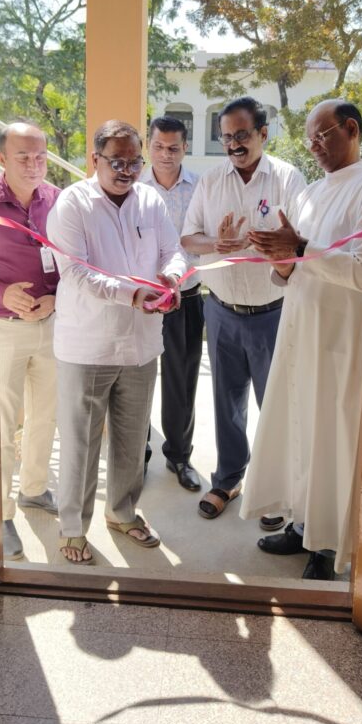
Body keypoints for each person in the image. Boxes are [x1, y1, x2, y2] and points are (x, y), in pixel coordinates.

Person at [240, 100, 362, 580]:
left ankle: (329, 542)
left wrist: (299, 247)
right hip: (299, 327)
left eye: (322, 135)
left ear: (351, 129)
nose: (314, 146)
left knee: (330, 439)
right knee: (299, 431)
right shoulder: (312, 193)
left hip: (339, 339)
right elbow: (296, 268)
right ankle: (301, 526)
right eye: (309, 139)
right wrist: (281, 262)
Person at [47, 119, 186, 563]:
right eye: (116, 162)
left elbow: (174, 250)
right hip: (88, 346)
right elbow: (76, 272)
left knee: (131, 438)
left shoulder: (150, 200)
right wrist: (133, 295)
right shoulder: (72, 204)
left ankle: (122, 512)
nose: (127, 171)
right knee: (81, 443)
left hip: (141, 345)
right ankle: (72, 527)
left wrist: (172, 277)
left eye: (134, 162)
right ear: (95, 160)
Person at [181, 96, 305, 521]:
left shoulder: (288, 179)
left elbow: (303, 241)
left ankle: (276, 493)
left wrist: (283, 246)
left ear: (263, 134)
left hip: (274, 313)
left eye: (242, 135)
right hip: (221, 312)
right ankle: (228, 479)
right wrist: (217, 243)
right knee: (226, 403)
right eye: (226, 137)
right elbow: (189, 239)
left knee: (277, 408)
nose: (233, 144)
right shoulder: (211, 181)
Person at [0, 121, 60, 560]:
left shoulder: (57, 199)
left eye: (40, 156)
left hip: (52, 324)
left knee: (46, 415)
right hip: (4, 328)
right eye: (23, 156)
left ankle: (34, 489)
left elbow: (74, 260)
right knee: (2, 424)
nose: (34, 165)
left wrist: (56, 297)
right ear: (2, 158)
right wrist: (1, 292)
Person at [140, 116, 204, 491]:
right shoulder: (134, 187)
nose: (166, 154)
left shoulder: (200, 187)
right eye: (159, 147)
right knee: (138, 379)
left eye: (174, 148)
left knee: (182, 380)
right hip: (143, 301)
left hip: (187, 297)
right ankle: (138, 454)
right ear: (148, 146)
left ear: (185, 148)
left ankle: (179, 455)